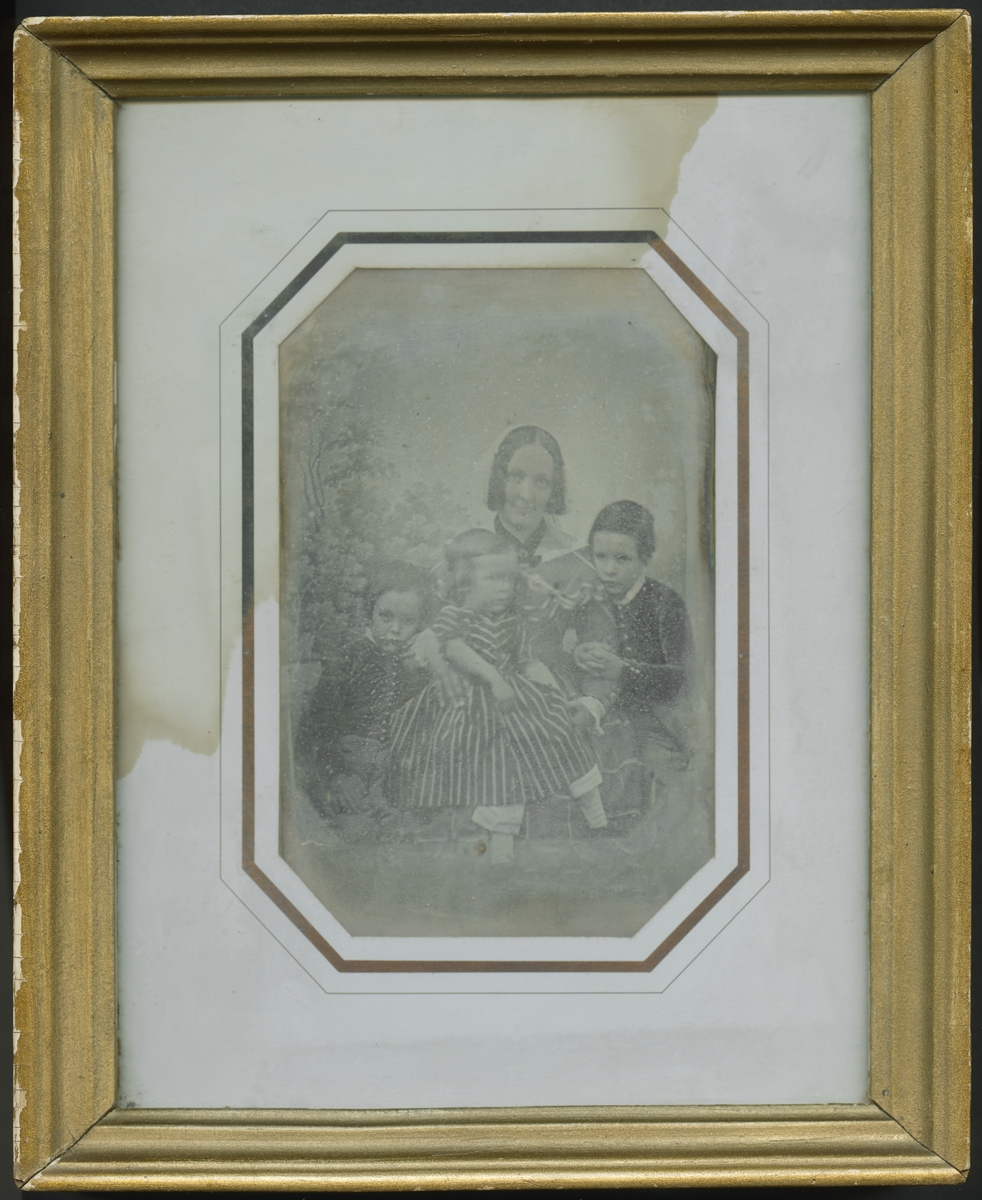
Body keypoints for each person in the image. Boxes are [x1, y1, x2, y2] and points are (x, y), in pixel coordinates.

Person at [386, 530, 607, 863]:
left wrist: (556, 693)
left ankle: (595, 812)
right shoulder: (455, 615)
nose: (505, 587)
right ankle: (500, 846)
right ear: (464, 582)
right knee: (497, 763)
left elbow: (529, 662)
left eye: (509, 578)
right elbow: (454, 649)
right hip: (469, 704)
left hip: (511, 697)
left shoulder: (511, 622)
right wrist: (493, 678)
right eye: (493, 578)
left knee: (559, 730)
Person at [569, 501, 694, 827]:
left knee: (672, 790)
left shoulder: (664, 603)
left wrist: (623, 671)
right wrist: (578, 655)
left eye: (622, 558)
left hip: (649, 720)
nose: (609, 569)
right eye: (600, 557)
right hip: (600, 717)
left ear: (645, 557)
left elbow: (681, 677)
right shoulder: (587, 599)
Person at [298, 561, 432, 819]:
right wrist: (338, 774)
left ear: (420, 623)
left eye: (408, 620)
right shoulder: (347, 658)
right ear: (370, 613)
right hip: (350, 764)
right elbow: (320, 722)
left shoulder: (417, 665)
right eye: (385, 616)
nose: (395, 629)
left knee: (398, 824)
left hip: (395, 770)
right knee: (351, 823)